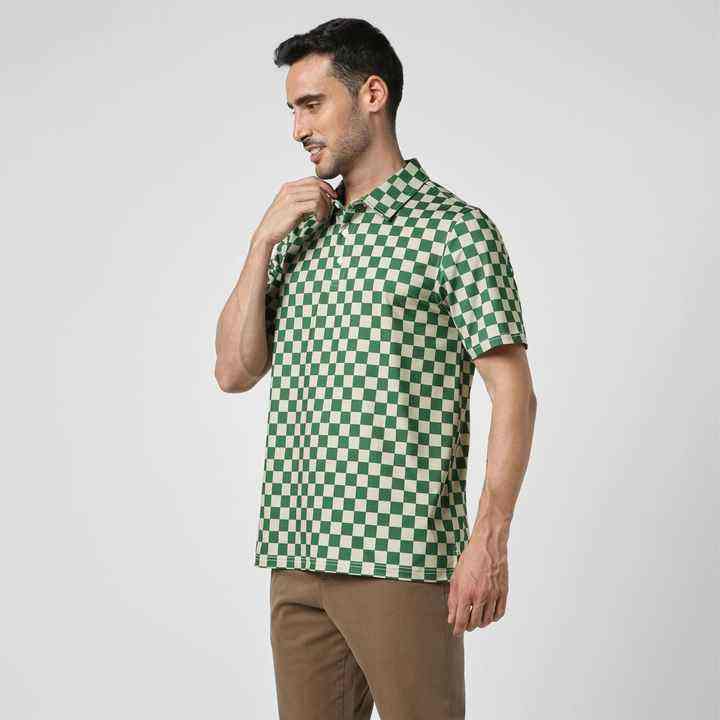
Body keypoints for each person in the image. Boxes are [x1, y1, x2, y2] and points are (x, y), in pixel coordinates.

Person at [214, 17, 537, 720]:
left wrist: (489, 541)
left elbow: (513, 393)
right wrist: (261, 242)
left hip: (399, 555)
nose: (298, 128)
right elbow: (233, 371)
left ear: (372, 94)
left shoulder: (454, 230)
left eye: (312, 104)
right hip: (296, 551)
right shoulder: (299, 230)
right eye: (292, 109)